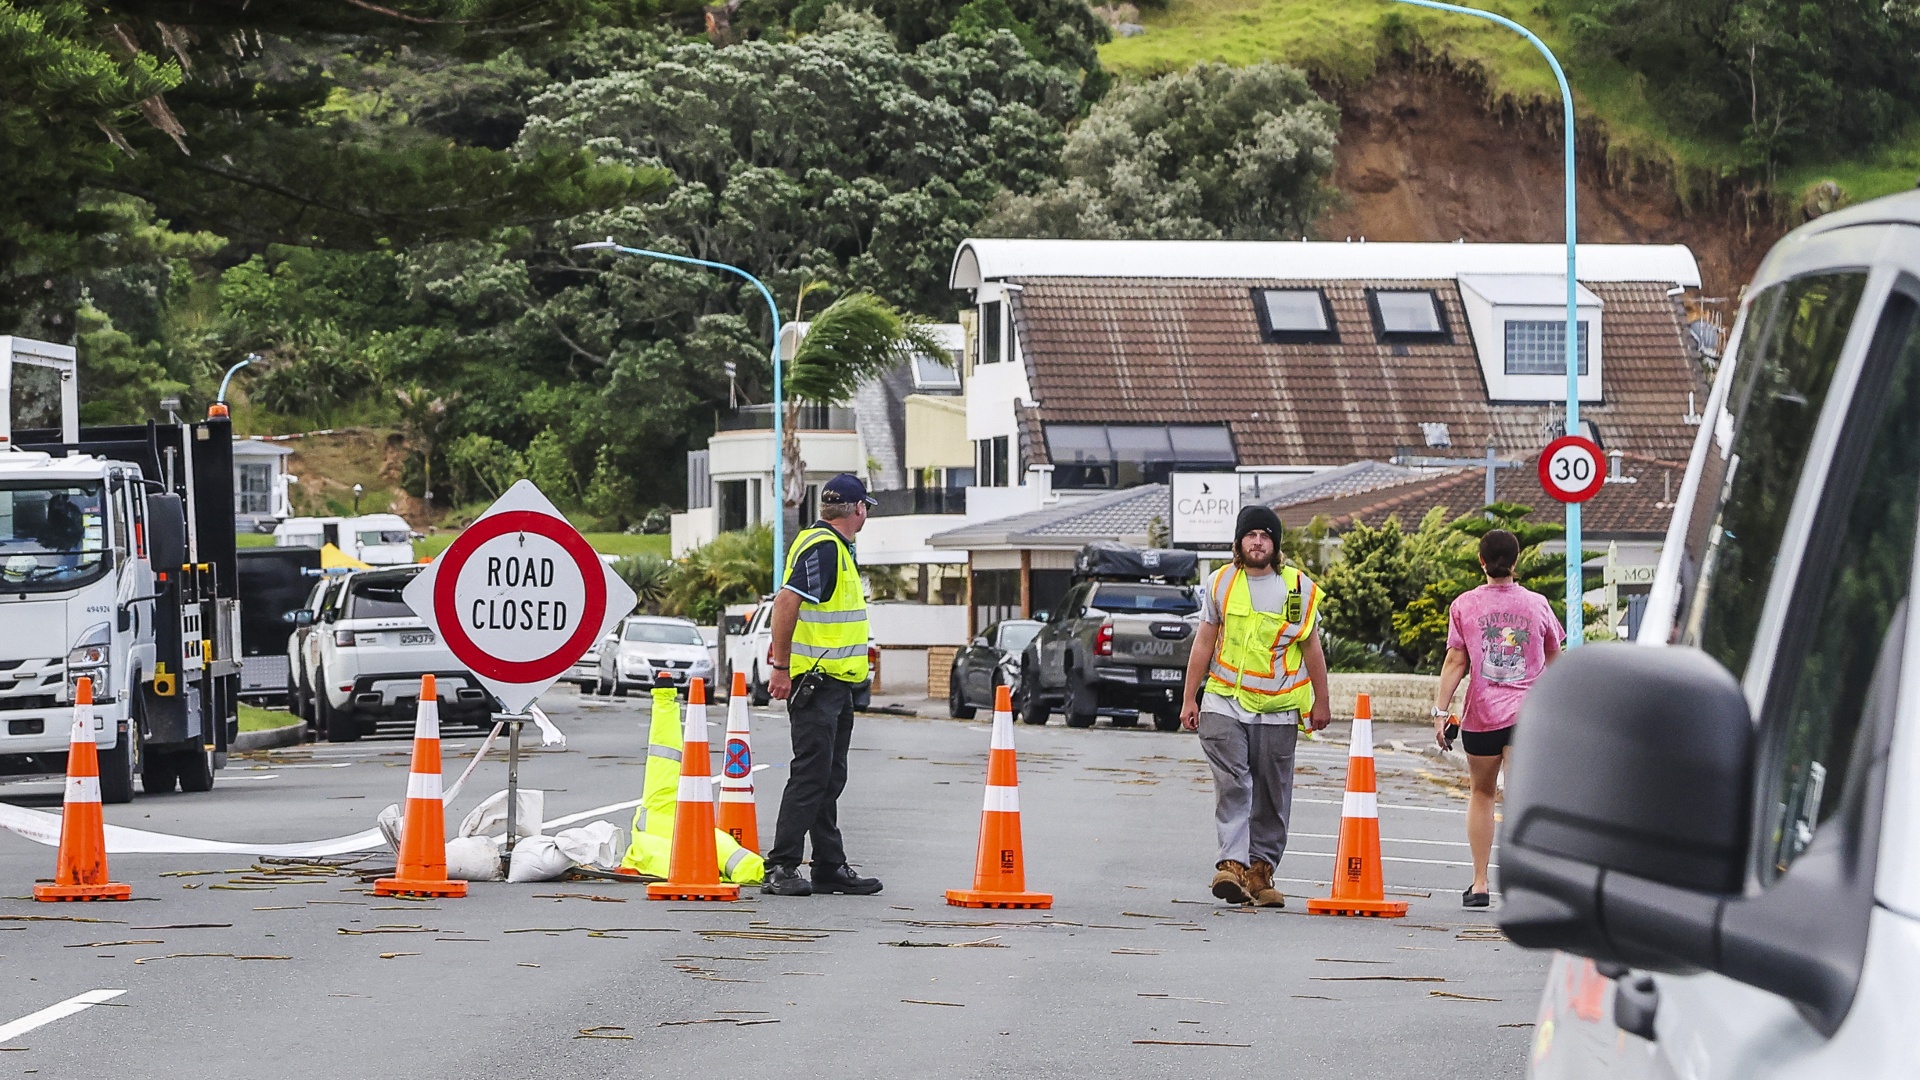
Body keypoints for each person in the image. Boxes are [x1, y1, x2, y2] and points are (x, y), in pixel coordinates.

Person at [1180, 505, 1331, 907]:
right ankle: (1230, 864)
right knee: (1234, 781)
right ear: (1239, 542)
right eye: (1251, 535)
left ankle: (1260, 871)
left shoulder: (1298, 587)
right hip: (1223, 701)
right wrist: (1189, 696)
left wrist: (1322, 700)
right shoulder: (1221, 584)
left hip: (1278, 707)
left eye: (1265, 536)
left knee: (1272, 792)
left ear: (1276, 544)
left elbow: (1311, 647)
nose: (1258, 542)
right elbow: (1204, 642)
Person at [762, 473, 884, 897]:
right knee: (812, 775)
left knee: (829, 777)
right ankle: (781, 865)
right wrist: (780, 666)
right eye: (865, 507)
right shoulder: (825, 547)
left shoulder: (832, 548)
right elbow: (786, 601)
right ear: (857, 510)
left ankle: (829, 865)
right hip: (817, 681)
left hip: (836, 684)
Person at [1432, 528, 1563, 908]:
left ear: (1481, 561)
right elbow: (1555, 658)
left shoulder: (1464, 605)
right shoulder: (1538, 605)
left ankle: (1479, 884)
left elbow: (1456, 661)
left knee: (1482, 793)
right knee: (1522, 798)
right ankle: (1528, 885)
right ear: (1517, 561)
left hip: (1482, 716)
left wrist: (1441, 712)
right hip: (1529, 717)